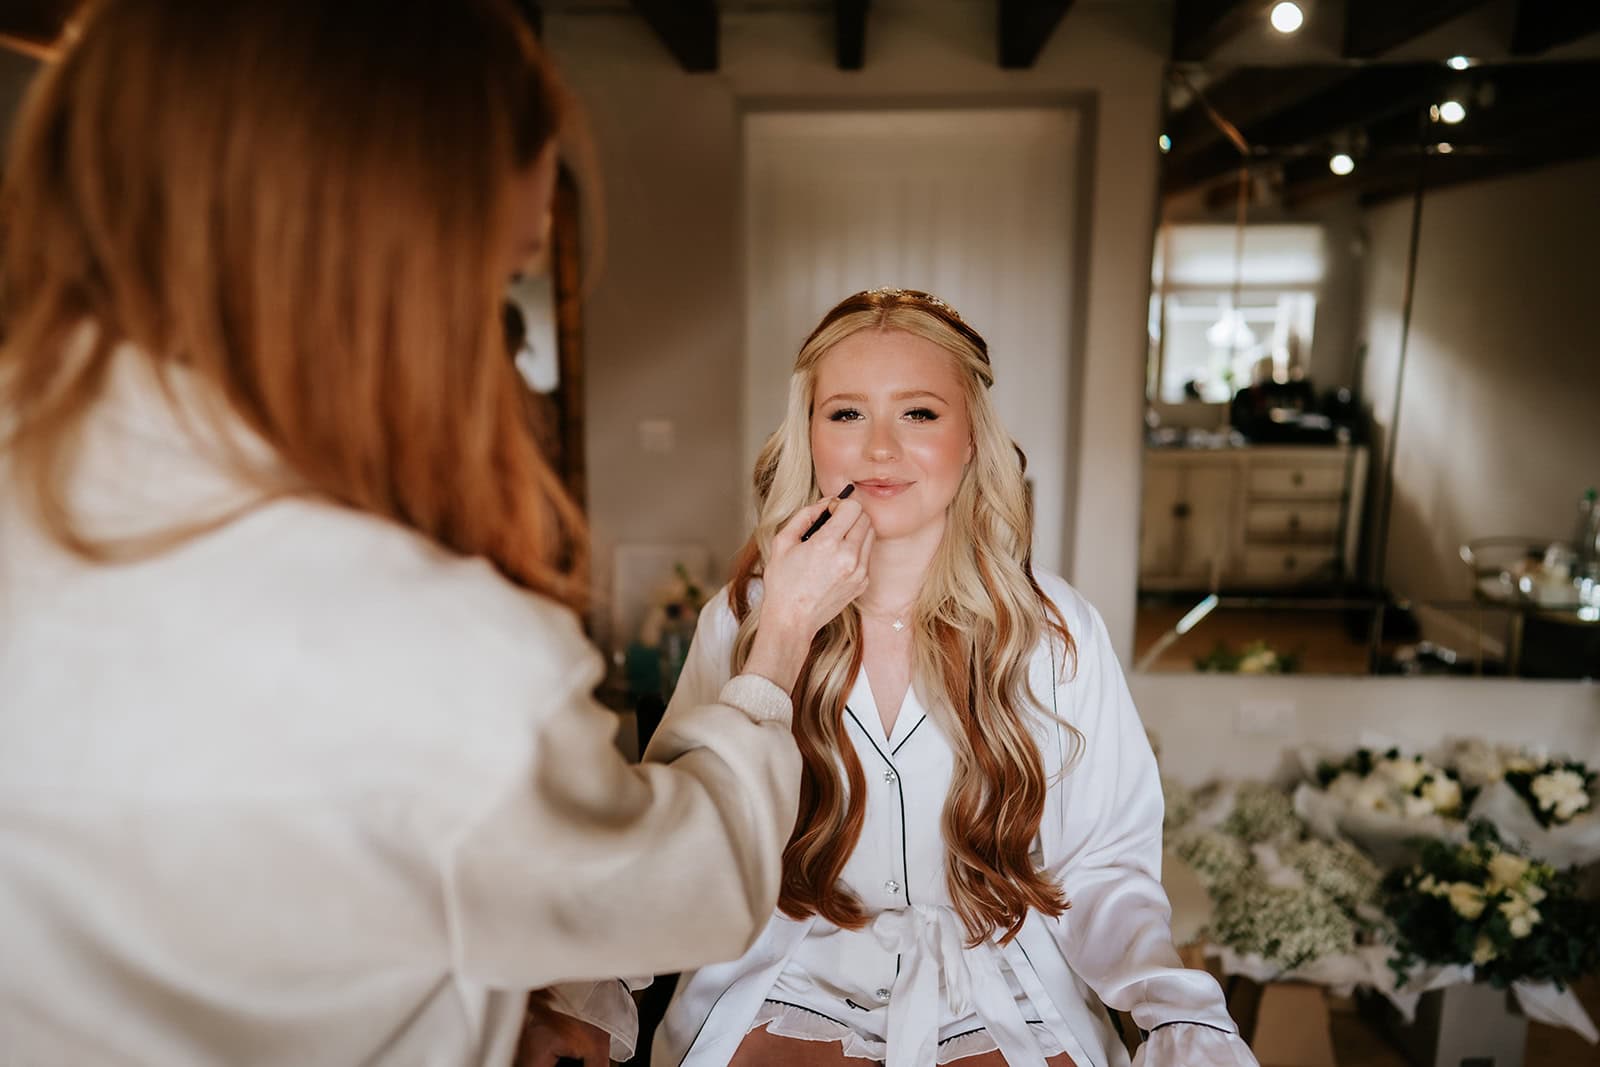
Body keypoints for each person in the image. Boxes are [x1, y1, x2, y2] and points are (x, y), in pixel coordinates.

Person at [0, 2, 874, 1064]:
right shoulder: (431, 650)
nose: (489, 338)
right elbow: (681, 883)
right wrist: (775, 645)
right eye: (495, 272)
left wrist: (488, 994)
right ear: (374, 261)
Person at [562, 289, 1259, 1066]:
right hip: (786, 969)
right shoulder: (746, 618)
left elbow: (1105, 867)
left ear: (971, 440)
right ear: (812, 437)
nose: (879, 449)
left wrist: (1176, 1010)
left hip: (1001, 976)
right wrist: (598, 985)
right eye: (847, 413)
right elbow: (684, 834)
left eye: (919, 413)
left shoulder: (1057, 630)